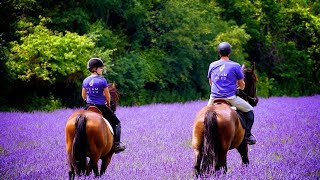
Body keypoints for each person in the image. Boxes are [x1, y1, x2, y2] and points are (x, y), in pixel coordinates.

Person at [207, 42, 256, 145]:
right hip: (230, 98)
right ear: (229, 53)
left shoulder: (212, 65)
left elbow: (211, 82)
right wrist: (240, 87)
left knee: (205, 115)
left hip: (213, 98)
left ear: (219, 53)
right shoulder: (235, 65)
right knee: (250, 110)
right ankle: (247, 136)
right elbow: (242, 84)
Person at [82, 58, 126, 153]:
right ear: (95, 69)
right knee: (117, 123)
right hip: (101, 107)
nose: (102, 70)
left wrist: (88, 100)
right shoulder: (102, 80)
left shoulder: (85, 81)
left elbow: (83, 95)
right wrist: (108, 104)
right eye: (101, 68)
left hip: (89, 106)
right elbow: (107, 96)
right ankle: (117, 144)